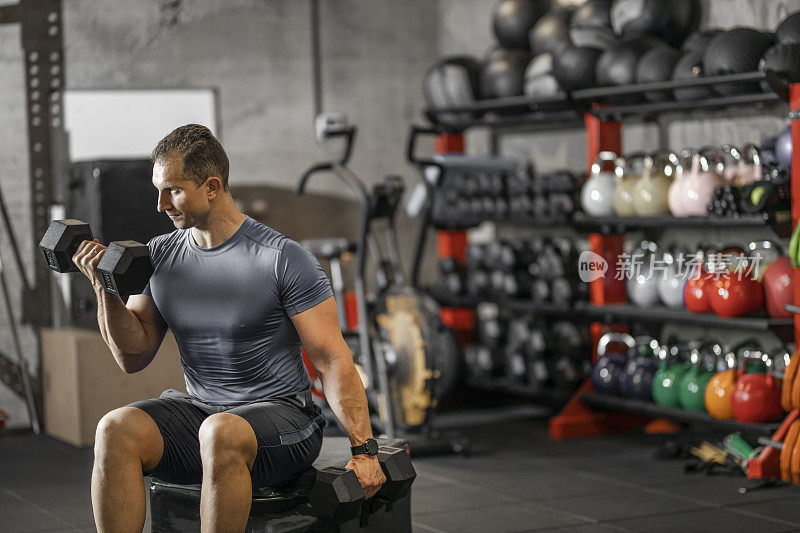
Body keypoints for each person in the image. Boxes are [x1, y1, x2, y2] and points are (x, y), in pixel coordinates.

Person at [73, 124, 385, 533]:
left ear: (213, 186)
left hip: (284, 419)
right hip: (204, 414)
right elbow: (133, 354)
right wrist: (105, 290)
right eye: (158, 190)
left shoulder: (282, 258)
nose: (160, 204)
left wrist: (364, 451)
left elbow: (331, 360)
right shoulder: (160, 255)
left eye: (173, 190)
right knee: (115, 429)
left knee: (220, 432)